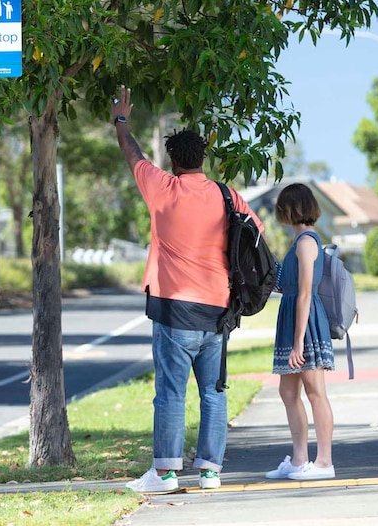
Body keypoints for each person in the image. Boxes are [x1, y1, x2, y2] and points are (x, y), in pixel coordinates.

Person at [110, 86, 265, 493]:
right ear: (202, 159)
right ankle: (211, 471)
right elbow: (256, 235)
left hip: (175, 312)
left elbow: (133, 155)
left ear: (174, 161)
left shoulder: (162, 188)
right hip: (218, 313)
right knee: (214, 394)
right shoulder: (227, 195)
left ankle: (164, 473)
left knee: (171, 394)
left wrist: (121, 119)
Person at [265, 183, 336, 481]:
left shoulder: (307, 241)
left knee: (315, 391)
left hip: (305, 323)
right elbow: (289, 287)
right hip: (293, 318)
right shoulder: (298, 241)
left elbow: (306, 293)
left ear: (291, 208)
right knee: (288, 391)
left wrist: (298, 343)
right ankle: (298, 459)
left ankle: (323, 463)